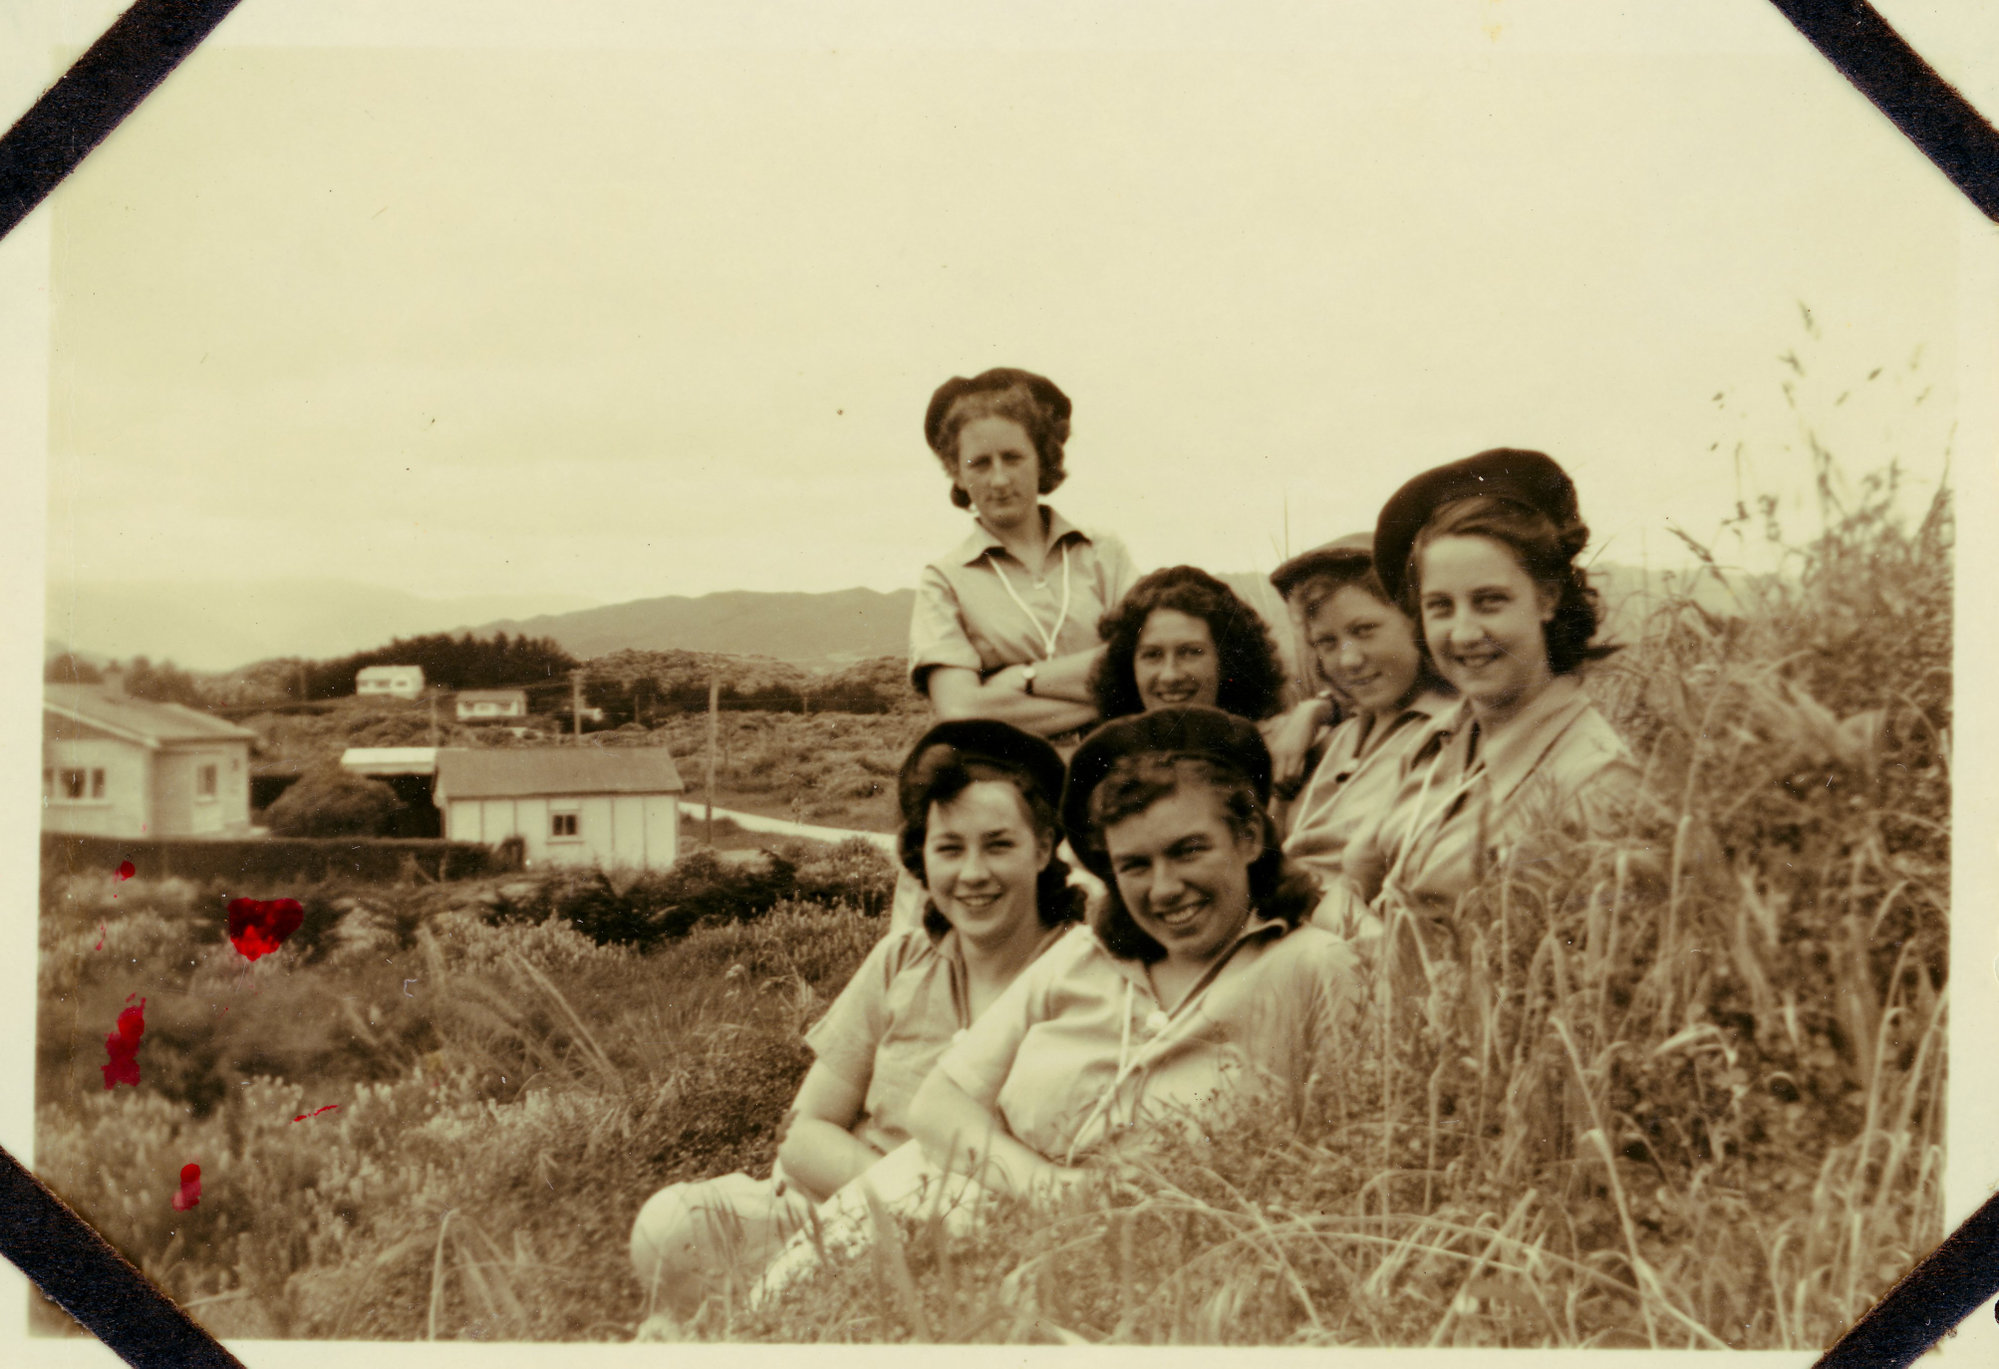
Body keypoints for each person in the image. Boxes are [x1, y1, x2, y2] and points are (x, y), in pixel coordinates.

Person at [627, 719, 1080, 1322]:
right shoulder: (901, 961)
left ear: (1044, 847)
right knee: (671, 1227)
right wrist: (896, 1202)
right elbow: (803, 1132)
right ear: (921, 855)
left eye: (999, 845)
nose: (972, 874)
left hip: (979, 1232)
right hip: (843, 1200)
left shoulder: (1080, 975)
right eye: (949, 848)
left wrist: (930, 1220)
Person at [905, 707, 1364, 1200]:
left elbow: (1348, 1160)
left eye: (1188, 850)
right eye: (1134, 865)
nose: (1164, 889)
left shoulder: (1315, 967)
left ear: (1249, 837)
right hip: (979, 1215)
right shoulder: (1085, 954)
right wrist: (1054, 1190)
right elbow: (938, 1105)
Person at [1340, 448, 1638, 945]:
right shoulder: (1439, 742)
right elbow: (1350, 882)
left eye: (1489, 601)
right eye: (1439, 606)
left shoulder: (1599, 783)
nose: (1463, 633)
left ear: (1547, 598)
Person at [908, 368, 1139, 742]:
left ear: (1042, 458)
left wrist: (1023, 679)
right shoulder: (945, 579)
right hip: (1008, 773)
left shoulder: (1102, 554)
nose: (998, 480)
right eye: (979, 463)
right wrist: (1112, 699)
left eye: (1012, 457)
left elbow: (1142, 663)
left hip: (1116, 761)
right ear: (956, 474)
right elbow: (962, 713)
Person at [1266, 532, 1456, 896]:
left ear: (1417, 622)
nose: (1349, 660)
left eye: (1365, 630)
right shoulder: (1330, 736)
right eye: (1327, 642)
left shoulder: (1447, 732)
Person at [1087, 564, 1322, 801]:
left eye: (1191, 652)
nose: (1170, 675)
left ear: (1227, 660)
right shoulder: (1109, 768)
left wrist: (1317, 710)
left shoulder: (1279, 744)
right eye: (1152, 655)